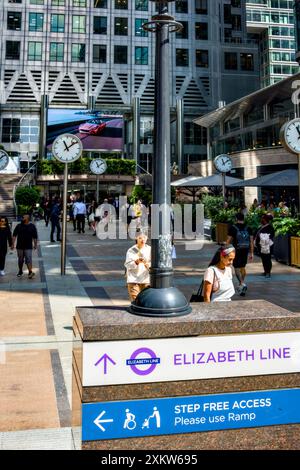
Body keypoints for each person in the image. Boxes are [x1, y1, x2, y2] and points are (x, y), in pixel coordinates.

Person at [226, 213, 254, 296]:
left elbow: (228, 241)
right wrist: (251, 252)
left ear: (236, 218)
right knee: (243, 267)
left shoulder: (233, 228)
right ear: (243, 218)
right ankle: (241, 285)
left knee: (236, 267)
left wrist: (225, 250)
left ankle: (242, 283)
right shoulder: (248, 228)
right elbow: (251, 241)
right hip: (245, 249)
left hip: (236, 249)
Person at [124, 232, 151, 302]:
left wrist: (147, 264)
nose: (143, 240)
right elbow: (127, 264)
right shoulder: (132, 250)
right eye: (140, 238)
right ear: (136, 238)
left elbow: (153, 263)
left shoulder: (149, 249)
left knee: (146, 301)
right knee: (136, 301)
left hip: (146, 280)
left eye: (144, 237)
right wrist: (136, 262)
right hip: (134, 279)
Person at [12, 214, 38, 279]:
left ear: (27, 218)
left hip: (28, 246)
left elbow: (35, 236)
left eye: (23, 217)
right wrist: (12, 244)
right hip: (19, 246)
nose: (22, 218)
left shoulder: (32, 226)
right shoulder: (18, 226)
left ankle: (30, 272)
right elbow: (14, 235)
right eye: (22, 217)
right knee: (20, 260)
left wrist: (35, 244)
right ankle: (20, 270)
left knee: (28, 259)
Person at [255, 214, 275, 278]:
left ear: (265, 220)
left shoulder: (270, 227)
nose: (261, 220)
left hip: (267, 246)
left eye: (262, 219)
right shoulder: (261, 227)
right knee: (263, 259)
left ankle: (268, 272)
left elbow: (270, 236)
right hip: (261, 246)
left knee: (267, 259)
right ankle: (265, 271)